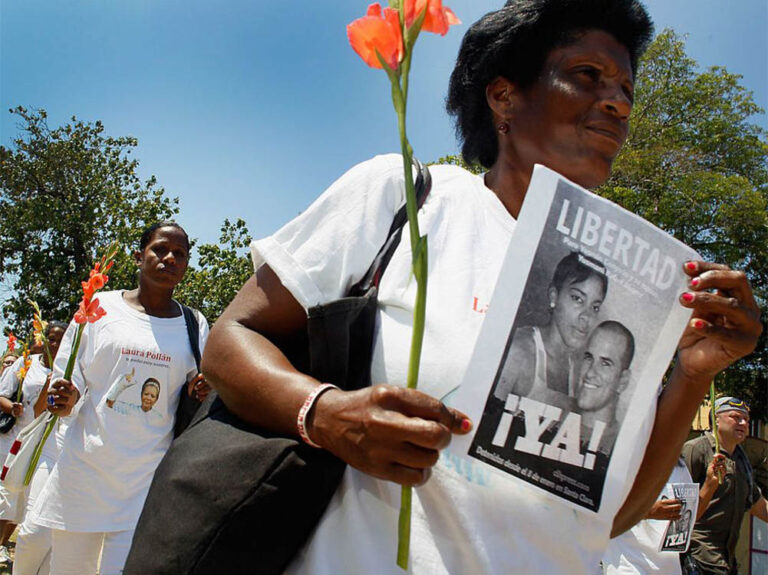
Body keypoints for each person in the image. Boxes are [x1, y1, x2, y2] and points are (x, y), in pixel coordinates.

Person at [202, 1, 762, 573]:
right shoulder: (409, 201)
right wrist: (323, 414)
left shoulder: (633, 283)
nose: (618, 102)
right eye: (588, 76)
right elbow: (229, 339)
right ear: (504, 97)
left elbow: (609, 519)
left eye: (625, 89)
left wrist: (694, 374)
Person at [26, 222, 209, 575]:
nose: (170, 258)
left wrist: (204, 389)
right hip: (83, 476)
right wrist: (64, 398)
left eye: (180, 254)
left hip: (146, 483)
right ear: (139, 256)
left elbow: (202, 387)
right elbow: (69, 375)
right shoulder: (98, 308)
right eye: (160, 249)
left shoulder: (194, 324)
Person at [494, 252, 607, 410]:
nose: (586, 316)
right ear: (554, 296)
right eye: (577, 299)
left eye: (595, 307)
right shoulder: (520, 349)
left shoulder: (581, 370)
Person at [0, 321, 66, 569]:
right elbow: (4, 394)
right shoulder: (26, 363)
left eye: (61, 339)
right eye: (52, 339)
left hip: (48, 445)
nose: (56, 345)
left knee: (29, 504)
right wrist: (13, 407)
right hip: (17, 439)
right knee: (8, 495)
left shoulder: (69, 368)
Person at [682, 397, 768, 574]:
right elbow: (679, 508)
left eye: (747, 420)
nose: (743, 423)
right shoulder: (696, 450)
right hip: (695, 558)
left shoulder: (742, 462)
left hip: (725, 562)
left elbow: (759, 506)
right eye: (736, 417)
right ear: (716, 418)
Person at [602, 455, 726, 574]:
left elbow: (688, 516)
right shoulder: (618, 463)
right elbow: (602, 512)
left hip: (669, 568)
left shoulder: (679, 467)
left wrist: (710, 484)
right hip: (628, 565)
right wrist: (649, 512)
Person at [573, 320, 634, 455]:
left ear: (622, 381)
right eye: (589, 358)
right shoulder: (549, 417)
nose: (589, 373)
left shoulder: (624, 448)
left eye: (605, 364)